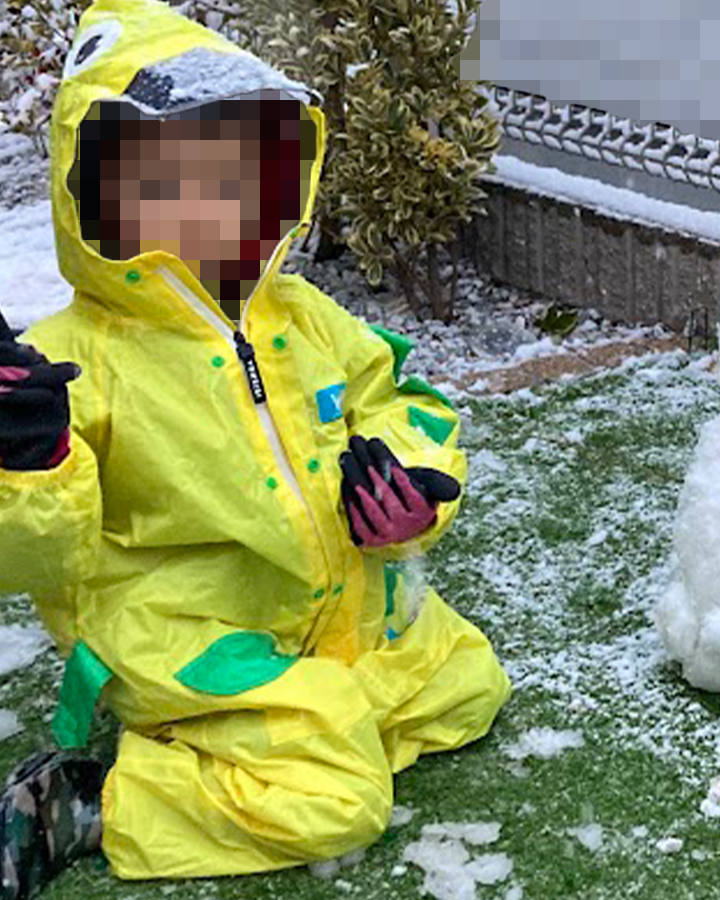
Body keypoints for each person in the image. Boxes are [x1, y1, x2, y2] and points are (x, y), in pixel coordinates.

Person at [0, 1, 511, 896]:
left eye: (232, 177)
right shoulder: (76, 361)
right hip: (186, 630)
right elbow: (37, 555)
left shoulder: (298, 316)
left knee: (466, 688)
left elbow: (396, 399)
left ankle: (292, 726)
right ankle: (100, 798)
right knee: (338, 800)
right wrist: (29, 460)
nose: (211, 207)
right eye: (170, 182)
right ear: (100, 195)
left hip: (330, 608)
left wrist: (419, 486)